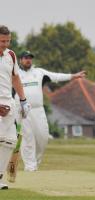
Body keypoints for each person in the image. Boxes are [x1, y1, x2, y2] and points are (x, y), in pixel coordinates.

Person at [17, 50, 86, 171]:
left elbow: (56, 76)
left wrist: (73, 76)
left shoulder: (39, 72)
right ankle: (30, 166)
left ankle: (36, 162)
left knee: (42, 137)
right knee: (28, 138)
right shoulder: (15, 74)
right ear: (20, 60)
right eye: (25, 58)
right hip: (22, 111)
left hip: (38, 109)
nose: (28, 60)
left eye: (30, 58)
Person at [0, 25, 30, 189]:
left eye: (8, 41)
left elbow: (15, 78)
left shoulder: (10, 55)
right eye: (2, 41)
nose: (5, 44)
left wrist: (23, 100)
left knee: (10, 141)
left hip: (9, 104)